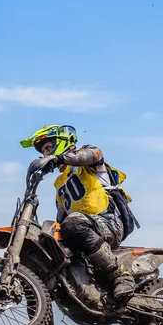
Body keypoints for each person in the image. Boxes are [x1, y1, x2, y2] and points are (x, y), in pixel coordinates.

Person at [20, 124, 136, 302]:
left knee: (73, 223)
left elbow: (94, 154)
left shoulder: (88, 158)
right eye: (43, 151)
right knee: (48, 242)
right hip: (81, 228)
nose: (45, 154)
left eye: (48, 148)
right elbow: (62, 220)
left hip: (109, 222)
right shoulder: (60, 184)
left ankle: (120, 275)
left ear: (62, 142)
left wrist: (59, 158)